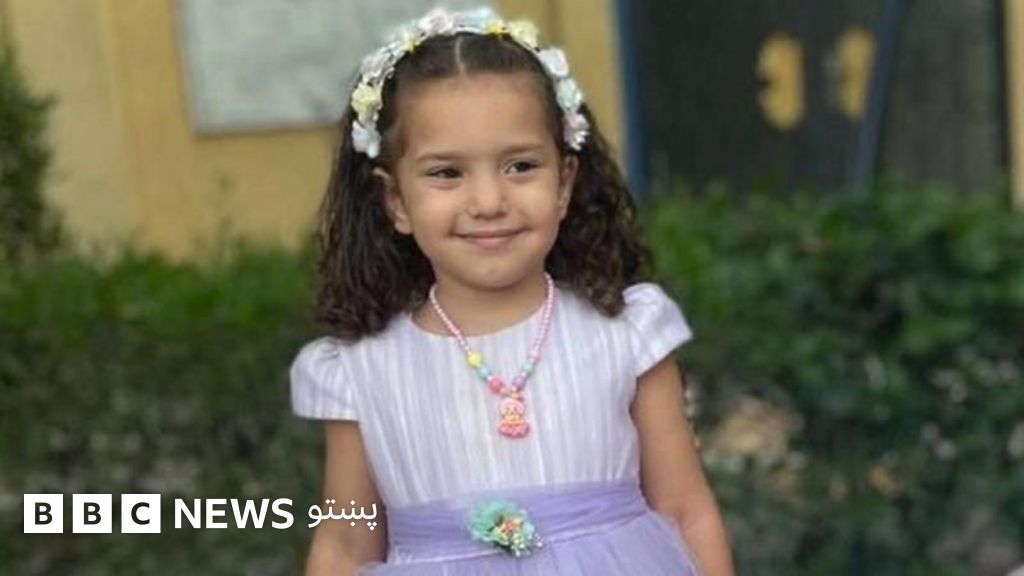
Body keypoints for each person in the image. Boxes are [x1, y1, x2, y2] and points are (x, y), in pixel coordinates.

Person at [290, 6, 735, 575]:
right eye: (447, 173)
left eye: (520, 166)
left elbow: (685, 507)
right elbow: (346, 542)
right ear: (395, 201)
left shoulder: (627, 333)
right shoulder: (360, 369)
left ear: (564, 183)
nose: (488, 202)